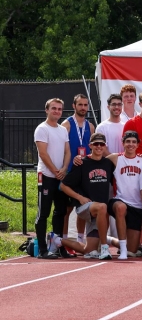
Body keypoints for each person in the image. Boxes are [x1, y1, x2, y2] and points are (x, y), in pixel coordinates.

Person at [56, 133, 114, 260]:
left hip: (98, 213)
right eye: (96, 144)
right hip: (84, 207)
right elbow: (63, 186)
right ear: (90, 146)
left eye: (102, 144)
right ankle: (105, 247)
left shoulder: (108, 164)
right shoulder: (82, 163)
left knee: (88, 250)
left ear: (105, 146)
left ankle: (56, 240)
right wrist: (79, 198)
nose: (99, 146)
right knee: (103, 207)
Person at [33, 98, 70, 259]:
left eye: (59, 109)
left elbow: (67, 152)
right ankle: (42, 250)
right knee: (44, 213)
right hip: (46, 176)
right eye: (53, 108)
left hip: (59, 177)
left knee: (60, 212)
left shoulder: (62, 130)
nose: (57, 111)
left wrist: (63, 170)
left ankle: (58, 247)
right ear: (47, 110)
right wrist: (55, 171)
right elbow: (43, 153)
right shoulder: (42, 129)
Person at [105, 131, 142, 257]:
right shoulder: (115, 158)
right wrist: (80, 158)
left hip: (136, 206)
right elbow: (95, 160)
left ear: (137, 145)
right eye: (128, 141)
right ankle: (123, 251)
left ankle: (111, 240)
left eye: (134, 142)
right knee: (121, 207)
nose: (131, 144)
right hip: (119, 200)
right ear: (123, 143)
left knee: (133, 250)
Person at [61, 94, 95, 241]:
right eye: (80, 105)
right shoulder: (66, 125)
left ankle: (81, 239)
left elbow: (93, 150)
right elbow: (60, 149)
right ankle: (63, 239)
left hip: (85, 174)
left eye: (85, 105)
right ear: (74, 106)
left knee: (82, 208)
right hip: (70, 172)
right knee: (66, 209)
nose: (83, 108)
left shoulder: (91, 126)